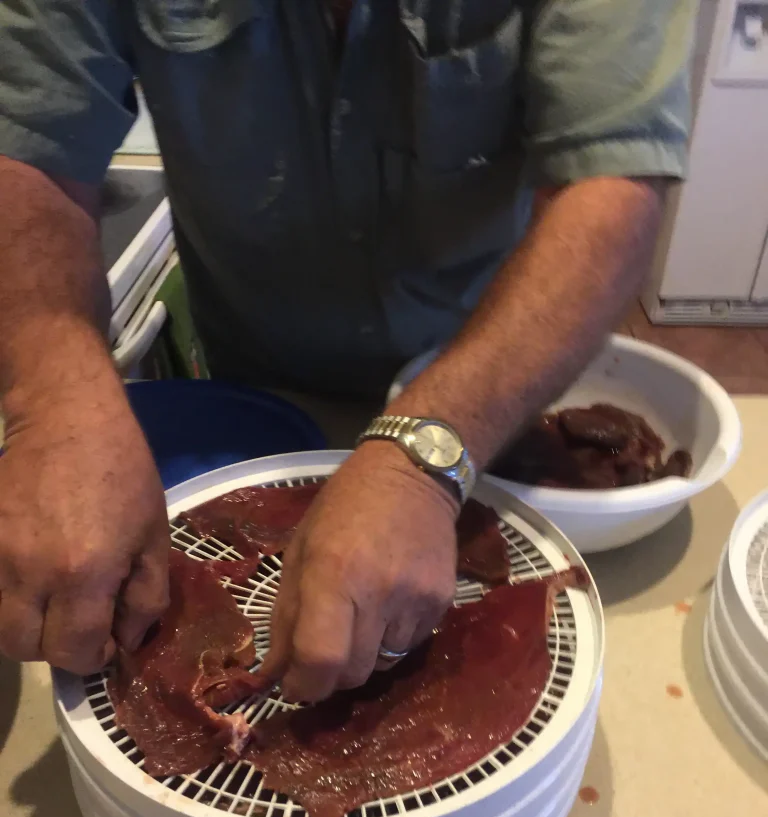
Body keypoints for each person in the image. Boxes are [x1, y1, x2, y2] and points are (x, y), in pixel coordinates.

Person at [0, 0, 693, 702]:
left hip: (488, 399)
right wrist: (52, 401)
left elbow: (610, 182)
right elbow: (27, 147)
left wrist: (419, 462)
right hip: (259, 394)